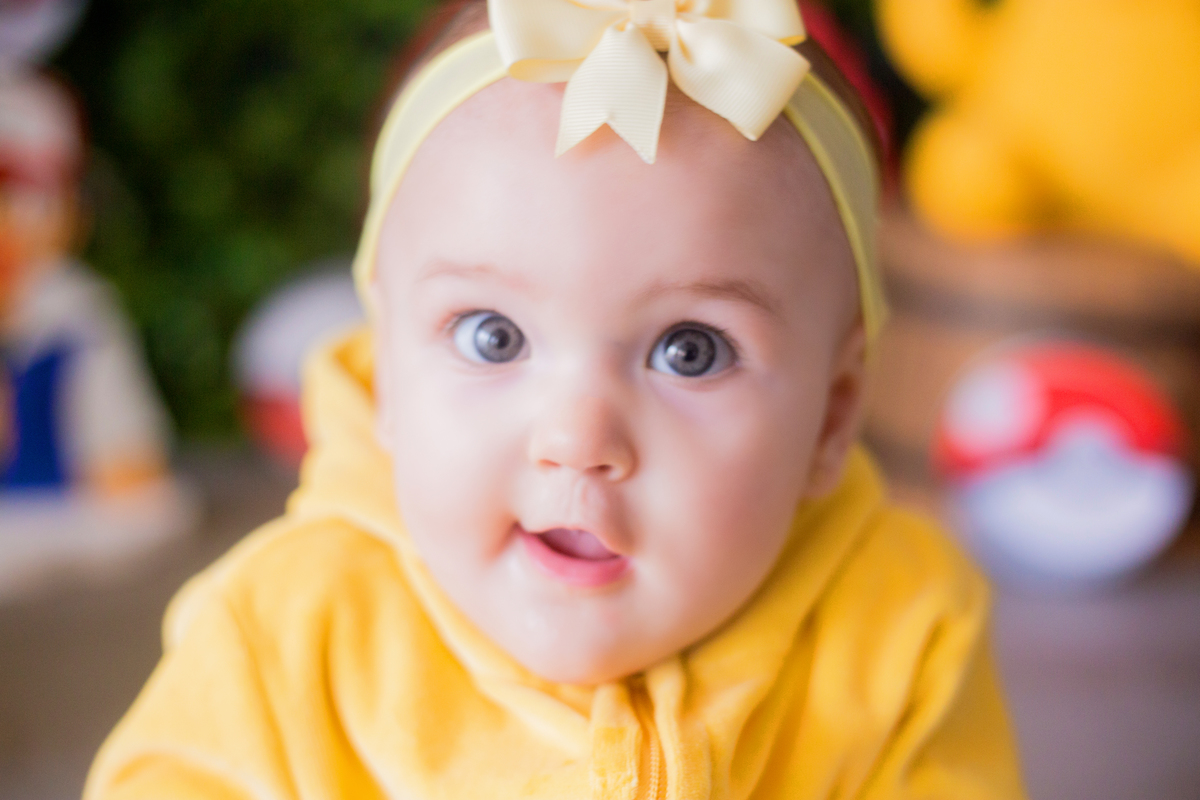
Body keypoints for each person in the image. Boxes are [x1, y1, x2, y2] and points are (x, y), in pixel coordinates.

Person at [85, 0, 1027, 797]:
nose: (577, 439)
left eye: (689, 351)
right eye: (492, 336)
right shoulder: (288, 633)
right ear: (385, 373)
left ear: (830, 415)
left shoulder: (902, 624)